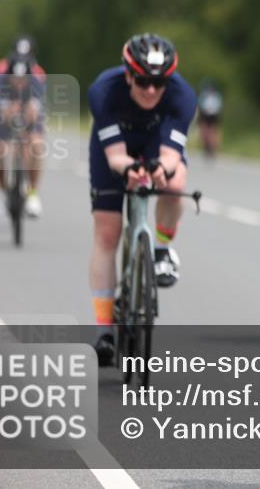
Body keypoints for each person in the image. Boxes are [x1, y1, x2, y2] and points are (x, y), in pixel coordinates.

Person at [86, 34, 196, 365]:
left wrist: (160, 169)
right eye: (144, 81)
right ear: (128, 74)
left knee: (174, 184)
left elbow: (171, 156)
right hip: (114, 149)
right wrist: (130, 169)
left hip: (154, 143)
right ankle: (105, 330)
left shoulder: (182, 96)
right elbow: (116, 156)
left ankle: (161, 248)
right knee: (107, 232)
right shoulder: (103, 91)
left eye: (159, 82)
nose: (151, 90)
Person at [0, 42, 47, 217]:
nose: (19, 83)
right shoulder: (0, 83)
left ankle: (32, 194)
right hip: (5, 119)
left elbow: (35, 114)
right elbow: (4, 114)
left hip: (28, 119)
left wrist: (26, 129)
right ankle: (2, 191)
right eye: (15, 79)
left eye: (23, 80)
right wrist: (11, 115)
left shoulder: (36, 83)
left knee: (36, 145)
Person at [196, 79, 223, 157]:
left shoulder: (207, 95)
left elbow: (201, 106)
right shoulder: (215, 96)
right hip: (210, 115)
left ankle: (211, 147)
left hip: (210, 115)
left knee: (209, 131)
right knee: (208, 131)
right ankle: (208, 146)